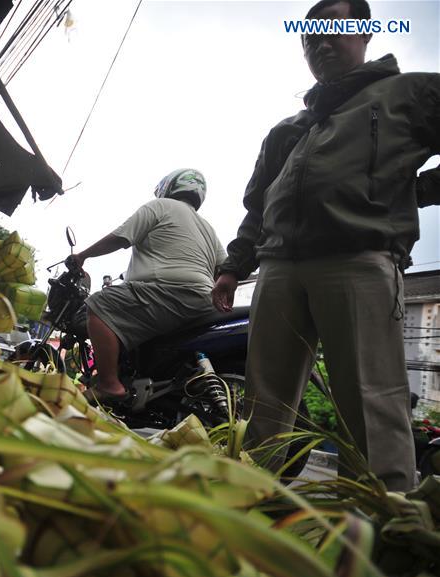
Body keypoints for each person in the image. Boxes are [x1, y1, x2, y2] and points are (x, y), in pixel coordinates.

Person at [211, 0, 440, 491]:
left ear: (365, 33)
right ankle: (246, 501)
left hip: (358, 259)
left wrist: (417, 189)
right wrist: (233, 267)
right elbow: (258, 208)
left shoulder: (409, 93)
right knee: (264, 402)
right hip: (277, 270)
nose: (320, 41)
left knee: (369, 399)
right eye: (309, 36)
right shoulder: (288, 129)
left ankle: (387, 523)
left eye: (335, 28)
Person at [67, 169, 226, 402]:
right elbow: (222, 267)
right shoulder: (208, 228)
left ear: (170, 187)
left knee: (100, 304)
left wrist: (83, 256)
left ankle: (109, 384)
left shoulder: (160, 206)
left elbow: (120, 238)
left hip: (168, 294)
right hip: (203, 301)